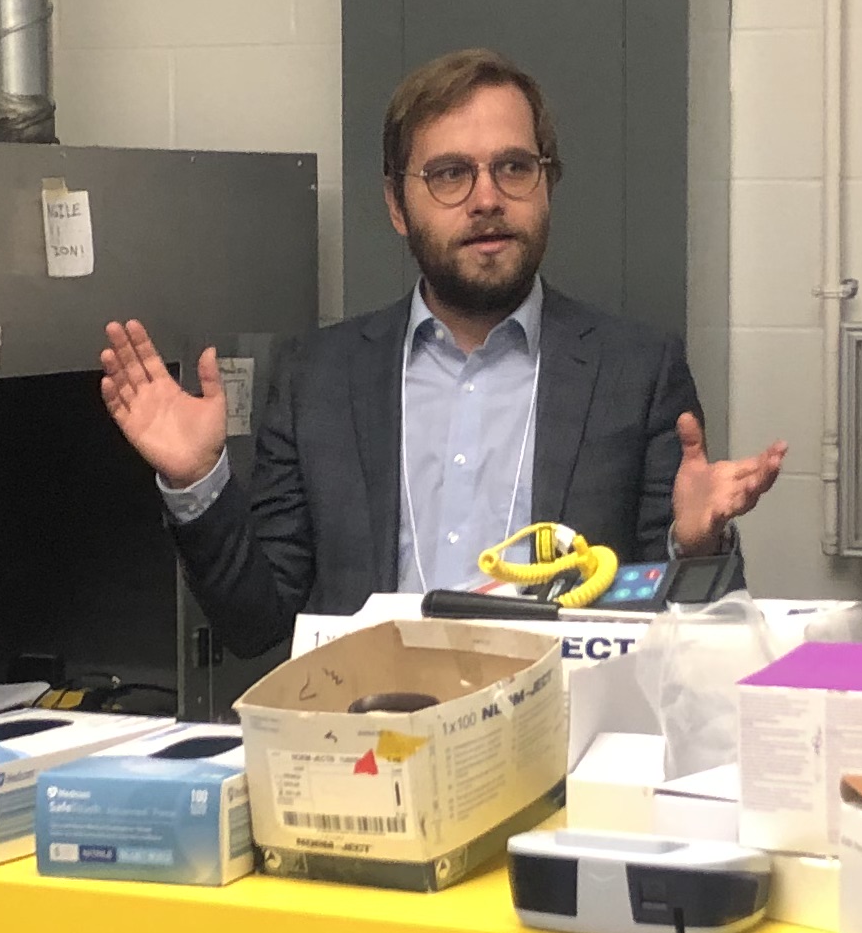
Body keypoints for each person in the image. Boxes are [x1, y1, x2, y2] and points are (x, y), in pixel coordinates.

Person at [94, 47, 786, 654]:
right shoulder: (319, 379)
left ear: (547, 184)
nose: (487, 198)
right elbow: (257, 624)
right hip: (369, 735)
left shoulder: (635, 372)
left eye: (514, 167)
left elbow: (683, 628)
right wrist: (198, 484)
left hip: (563, 733)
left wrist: (696, 546)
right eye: (450, 174)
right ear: (398, 206)